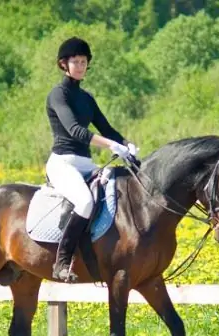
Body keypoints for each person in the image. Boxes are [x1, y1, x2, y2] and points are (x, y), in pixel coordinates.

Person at [45, 36, 139, 282]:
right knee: (85, 202)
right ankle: (62, 262)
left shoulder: (86, 98)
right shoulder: (58, 95)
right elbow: (76, 130)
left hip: (85, 164)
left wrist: (127, 145)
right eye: (75, 62)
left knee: (115, 194)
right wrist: (111, 145)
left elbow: (107, 128)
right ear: (64, 64)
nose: (80, 66)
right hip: (63, 163)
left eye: (84, 61)